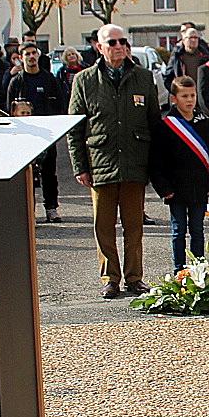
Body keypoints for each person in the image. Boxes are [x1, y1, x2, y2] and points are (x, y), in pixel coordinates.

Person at [68, 24, 162, 298]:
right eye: (112, 42)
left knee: (134, 226)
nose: (118, 46)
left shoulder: (143, 78)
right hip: (100, 162)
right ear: (99, 47)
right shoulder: (84, 80)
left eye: (122, 41)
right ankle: (110, 278)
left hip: (134, 162)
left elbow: (153, 122)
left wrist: (154, 166)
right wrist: (79, 166)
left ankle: (135, 277)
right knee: (103, 226)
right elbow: (75, 128)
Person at [150, 75, 209, 271]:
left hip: (200, 188)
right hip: (176, 189)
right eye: (184, 96)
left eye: (192, 95)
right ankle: (179, 271)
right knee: (178, 230)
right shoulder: (166, 126)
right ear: (174, 99)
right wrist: (164, 189)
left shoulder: (205, 123)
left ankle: (199, 269)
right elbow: (157, 161)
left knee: (197, 230)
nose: (189, 100)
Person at [8, 43, 67, 221]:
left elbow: (60, 105)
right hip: (25, 137)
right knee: (26, 176)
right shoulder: (16, 82)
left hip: (47, 135)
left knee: (49, 173)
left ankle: (51, 208)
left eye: (34, 53)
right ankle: (28, 212)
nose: (31, 57)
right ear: (21, 57)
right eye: (27, 54)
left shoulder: (49, 79)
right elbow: (8, 111)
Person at [164, 23, 209, 89]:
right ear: (184, 40)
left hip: (201, 92)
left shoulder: (205, 55)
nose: (193, 40)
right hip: (183, 94)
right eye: (191, 38)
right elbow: (168, 77)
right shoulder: (177, 55)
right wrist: (176, 92)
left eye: (195, 38)